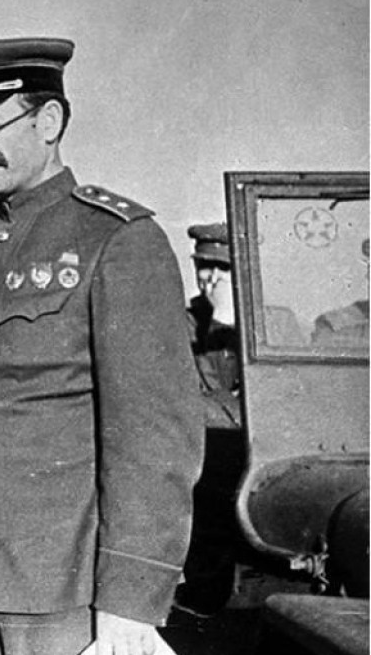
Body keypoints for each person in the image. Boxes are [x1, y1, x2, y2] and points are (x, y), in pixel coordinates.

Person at [0, 38, 203, 655]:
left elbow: (153, 440)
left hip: (56, 596)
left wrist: (131, 600)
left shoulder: (117, 240)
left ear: (48, 120)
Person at [173, 222, 245, 619]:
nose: (211, 278)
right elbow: (193, 399)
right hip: (210, 458)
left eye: (223, 268)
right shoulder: (181, 325)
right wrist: (219, 322)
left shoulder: (275, 320)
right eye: (204, 266)